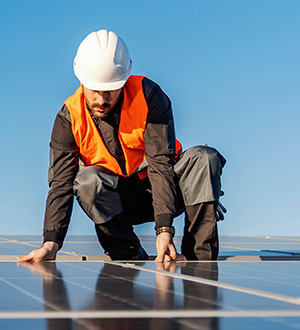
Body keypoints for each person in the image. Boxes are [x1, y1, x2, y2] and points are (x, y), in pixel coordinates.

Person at [17, 30, 226, 263]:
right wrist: (51, 243)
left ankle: (199, 260)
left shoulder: (149, 96)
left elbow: (160, 163)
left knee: (204, 159)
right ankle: (128, 254)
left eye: (110, 90)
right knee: (86, 181)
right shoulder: (69, 119)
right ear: (82, 81)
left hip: (167, 188)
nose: (102, 100)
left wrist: (164, 230)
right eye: (95, 90)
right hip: (119, 202)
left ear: (124, 81)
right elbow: (61, 184)